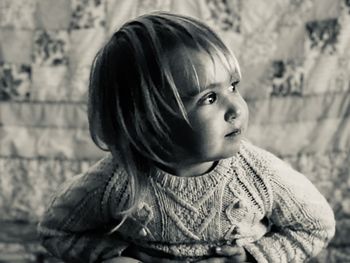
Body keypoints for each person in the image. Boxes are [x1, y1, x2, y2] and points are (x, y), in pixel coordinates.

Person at [38, 12, 335, 263]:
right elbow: (55, 231)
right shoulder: (117, 180)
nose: (236, 109)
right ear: (148, 120)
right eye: (209, 98)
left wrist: (254, 256)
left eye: (233, 87)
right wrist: (118, 253)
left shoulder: (258, 174)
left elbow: (315, 226)